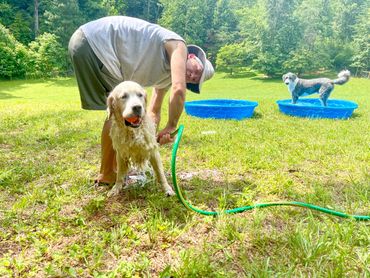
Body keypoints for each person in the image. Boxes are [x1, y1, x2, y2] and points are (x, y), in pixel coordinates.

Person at [68, 16, 214, 185]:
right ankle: (107, 173)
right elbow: (178, 89)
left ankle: (114, 170)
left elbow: (153, 111)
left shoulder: (166, 77)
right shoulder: (178, 45)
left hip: (88, 44)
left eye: (196, 80)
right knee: (116, 114)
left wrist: (154, 138)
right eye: (197, 71)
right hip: (94, 42)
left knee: (120, 115)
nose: (193, 76)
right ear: (192, 57)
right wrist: (172, 125)